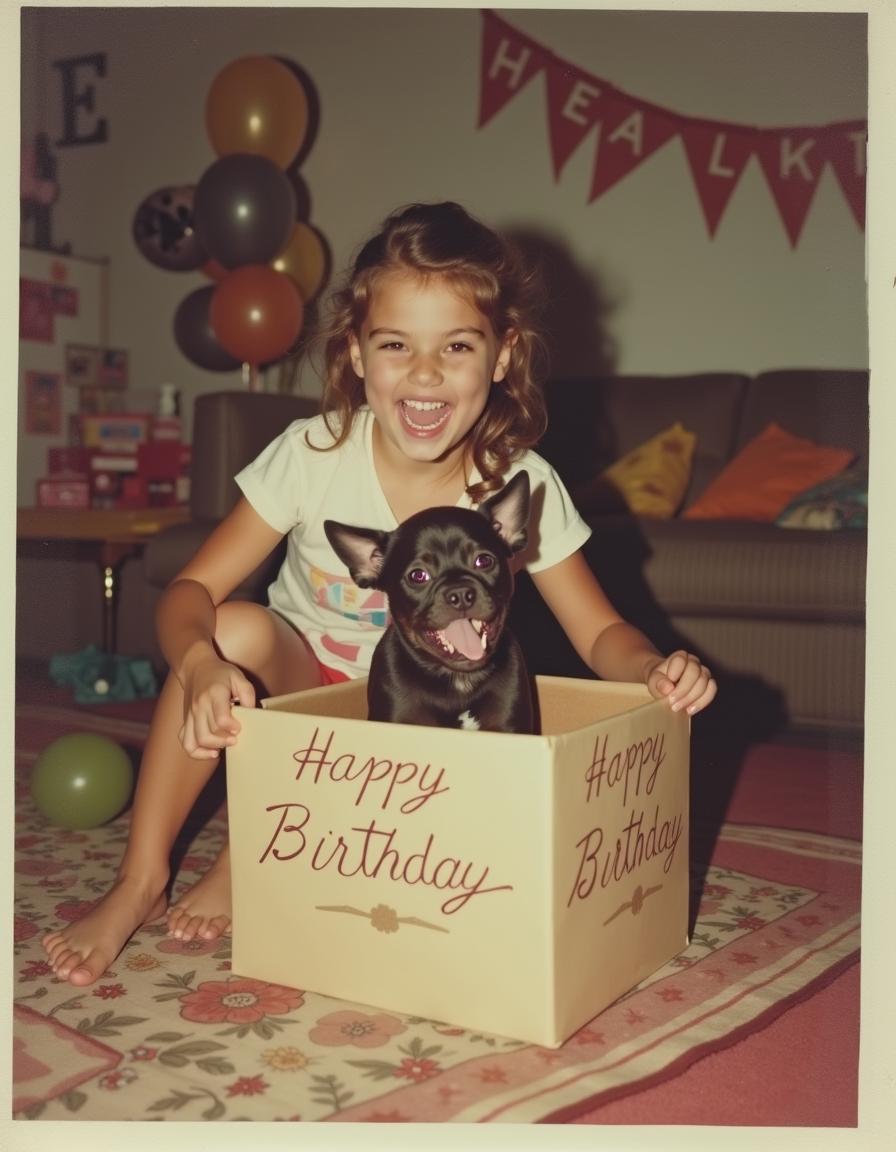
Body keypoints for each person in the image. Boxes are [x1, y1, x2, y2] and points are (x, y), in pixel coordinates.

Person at [42, 202, 716, 987]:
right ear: (357, 354)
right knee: (235, 630)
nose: (425, 374)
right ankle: (139, 882)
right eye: (396, 344)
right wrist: (197, 666)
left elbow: (601, 633)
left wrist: (654, 669)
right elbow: (188, 589)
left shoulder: (521, 483)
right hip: (302, 700)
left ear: (502, 357)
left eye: (456, 347)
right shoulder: (313, 453)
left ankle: (247, 851)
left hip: (422, 728)